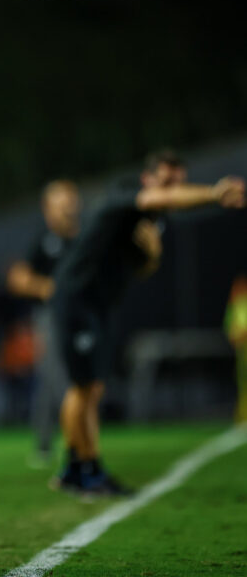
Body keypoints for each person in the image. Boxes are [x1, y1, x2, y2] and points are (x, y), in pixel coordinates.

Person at [51, 150, 245, 495]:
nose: (172, 190)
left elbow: (141, 268)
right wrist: (214, 193)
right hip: (77, 298)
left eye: (177, 182)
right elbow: (160, 198)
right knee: (86, 387)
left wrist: (153, 255)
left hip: (98, 304)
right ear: (147, 178)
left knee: (89, 387)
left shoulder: (153, 221)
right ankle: (88, 470)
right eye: (166, 181)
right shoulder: (126, 193)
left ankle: (74, 469)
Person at [7, 180, 81, 466]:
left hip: (79, 315)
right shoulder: (44, 242)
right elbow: (18, 278)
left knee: (66, 380)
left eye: (68, 204)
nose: (64, 211)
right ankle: (69, 442)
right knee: (56, 377)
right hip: (50, 317)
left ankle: (52, 442)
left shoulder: (83, 239)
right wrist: (48, 288)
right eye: (58, 206)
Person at [224, 273, 247, 423]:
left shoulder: (243, 305)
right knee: (243, 383)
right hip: (242, 352)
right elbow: (231, 330)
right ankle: (243, 414)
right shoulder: (235, 306)